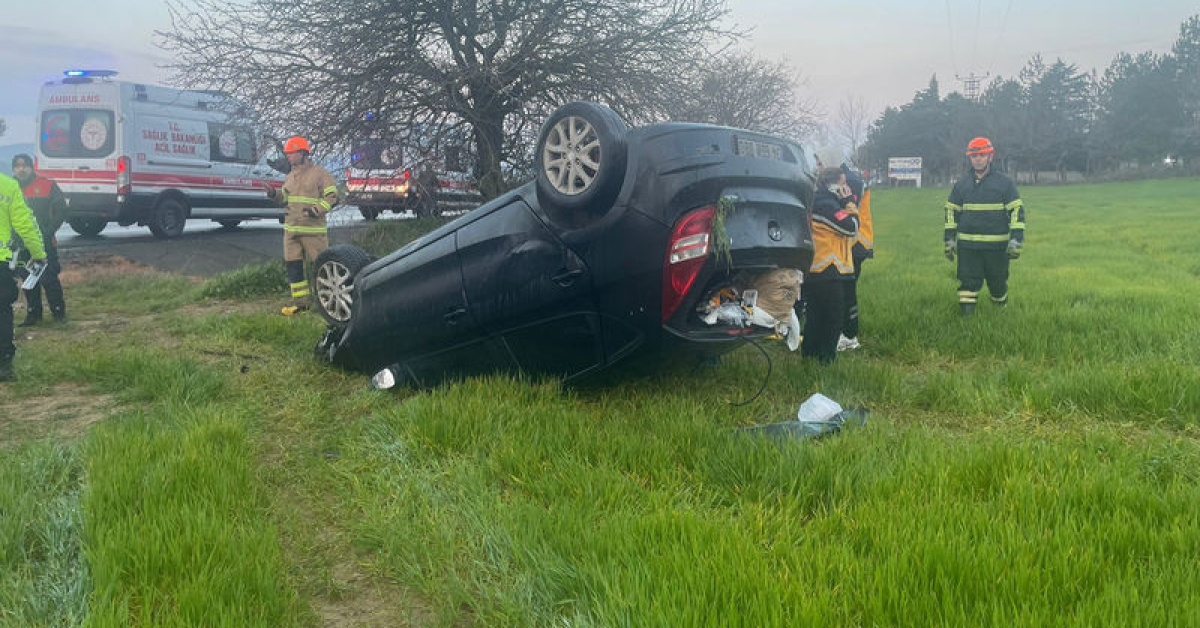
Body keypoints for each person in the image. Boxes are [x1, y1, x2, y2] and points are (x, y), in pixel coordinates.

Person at [944, 137, 1025, 315]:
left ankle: (999, 314)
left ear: (990, 156)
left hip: (997, 247)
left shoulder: (1005, 183)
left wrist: (1016, 241)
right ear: (969, 158)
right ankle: (967, 322)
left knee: (997, 283)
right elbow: (951, 212)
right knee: (967, 283)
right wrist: (949, 240)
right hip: (968, 246)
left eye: (982, 155)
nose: (978, 159)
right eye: (974, 156)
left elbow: (1017, 211)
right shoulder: (961, 185)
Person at [266, 136, 340, 316]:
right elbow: (285, 197)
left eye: (292, 153)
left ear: (303, 153)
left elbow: (333, 196)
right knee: (294, 268)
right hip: (291, 231)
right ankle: (301, 304)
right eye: (288, 154)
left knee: (323, 267)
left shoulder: (320, 174)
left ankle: (332, 302)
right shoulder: (291, 176)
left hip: (312, 231)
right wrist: (274, 194)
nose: (289, 157)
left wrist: (316, 210)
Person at [799, 167, 859, 363]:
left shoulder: (821, 201)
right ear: (833, 185)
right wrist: (850, 204)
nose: (846, 188)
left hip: (819, 270)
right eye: (843, 184)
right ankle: (825, 359)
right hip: (827, 271)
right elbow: (851, 228)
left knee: (816, 315)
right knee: (833, 317)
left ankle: (809, 356)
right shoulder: (827, 205)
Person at [1, 172, 48, 381]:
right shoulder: (7, 186)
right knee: (2, 310)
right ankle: (3, 365)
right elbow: (25, 225)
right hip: (1, 261)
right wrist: (38, 254)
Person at [11, 154, 68, 325]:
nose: (21, 169)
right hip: (20, 246)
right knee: (28, 281)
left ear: (31, 167)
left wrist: (48, 232)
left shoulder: (47, 185)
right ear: (13, 169)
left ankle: (59, 313)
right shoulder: (9, 188)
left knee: (49, 279)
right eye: (18, 166)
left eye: (25, 165)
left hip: (44, 244)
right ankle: (33, 315)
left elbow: (61, 211)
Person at [838, 163, 873, 351]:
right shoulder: (844, 179)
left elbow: (847, 210)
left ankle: (850, 336)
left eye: (820, 163)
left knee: (847, 292)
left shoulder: (851, 181)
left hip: (856, 244)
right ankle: (842, 332)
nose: (818, 167)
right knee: (842, 291)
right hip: (846, 245)